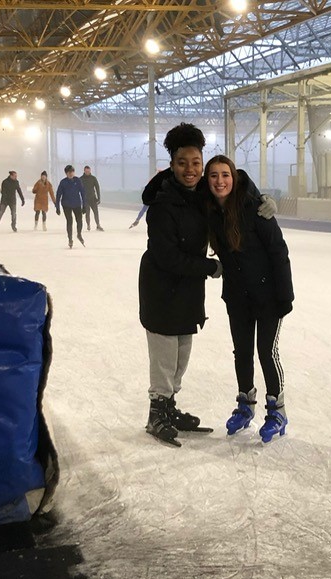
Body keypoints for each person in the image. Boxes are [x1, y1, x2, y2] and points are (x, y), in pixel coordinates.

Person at [139, 123, 221, 447]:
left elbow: (232, 185)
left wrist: (260, 200)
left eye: (196, 162)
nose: (190, 169)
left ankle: (169, 408)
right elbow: (168, 257)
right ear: (171, 165)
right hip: (162, 288)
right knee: (164, 356)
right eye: (183, 163)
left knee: (181, 354)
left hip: (188, 288)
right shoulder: (163, 204)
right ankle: (156, 413)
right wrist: (211, 267)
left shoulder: (201, 196)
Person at [204, 155, 294, 444]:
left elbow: (279, 251)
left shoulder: (255, 208)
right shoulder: (209, 211)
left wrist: (285, 295)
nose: (220, 181)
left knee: (267, 352)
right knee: (242, 352)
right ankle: (246, 405)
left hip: (268, 296)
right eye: (213, 175)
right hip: (237, 297)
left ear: (234, 177)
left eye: (225, 175)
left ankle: (277, 411)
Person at [55, 165, 86, 248]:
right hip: (66, 204)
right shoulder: (63, 182)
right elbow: (58, 195)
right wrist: (57, 207)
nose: (71, 174)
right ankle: (70, 239)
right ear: (66, 173)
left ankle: (79, 234)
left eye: (72, 172)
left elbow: (83, 193)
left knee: (79, 220)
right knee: (69, 221)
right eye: (69, 172)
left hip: (77, 204)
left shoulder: (77, 180)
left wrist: (84, 205)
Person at [80, 165, 103, 231]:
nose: (87, 172)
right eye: (86, 171)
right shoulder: (81, 179)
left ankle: (98, 225)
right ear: (84, 171)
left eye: (88, 171)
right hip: (85, 199)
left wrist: (99, 198)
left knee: (96, 212)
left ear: (90, 171)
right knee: (87, 213)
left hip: (93, 198)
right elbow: (77, 189)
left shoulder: (93, 178)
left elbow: (97, 188)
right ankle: (88, 225)